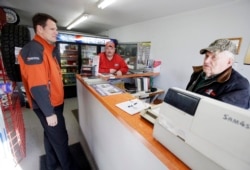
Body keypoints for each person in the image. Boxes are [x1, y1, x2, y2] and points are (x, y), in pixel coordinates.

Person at [18, 13, 74, 170]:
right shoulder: (35, 50)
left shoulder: (48, 48)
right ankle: (68, 166)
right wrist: (49, 113)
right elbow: (37, 86)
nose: (56, 32)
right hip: (48, 106)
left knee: (51, 137)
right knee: (61, 139)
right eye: (52, 29)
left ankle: (51, 164)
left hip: (55, 102)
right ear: (39, 29)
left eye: (56, 29)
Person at [186, 38, 250, 109]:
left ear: (229, 62)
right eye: (207, 56)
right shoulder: (198, 73)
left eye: (214, 57)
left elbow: (219, 115)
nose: (206, 61)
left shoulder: (239, 85)